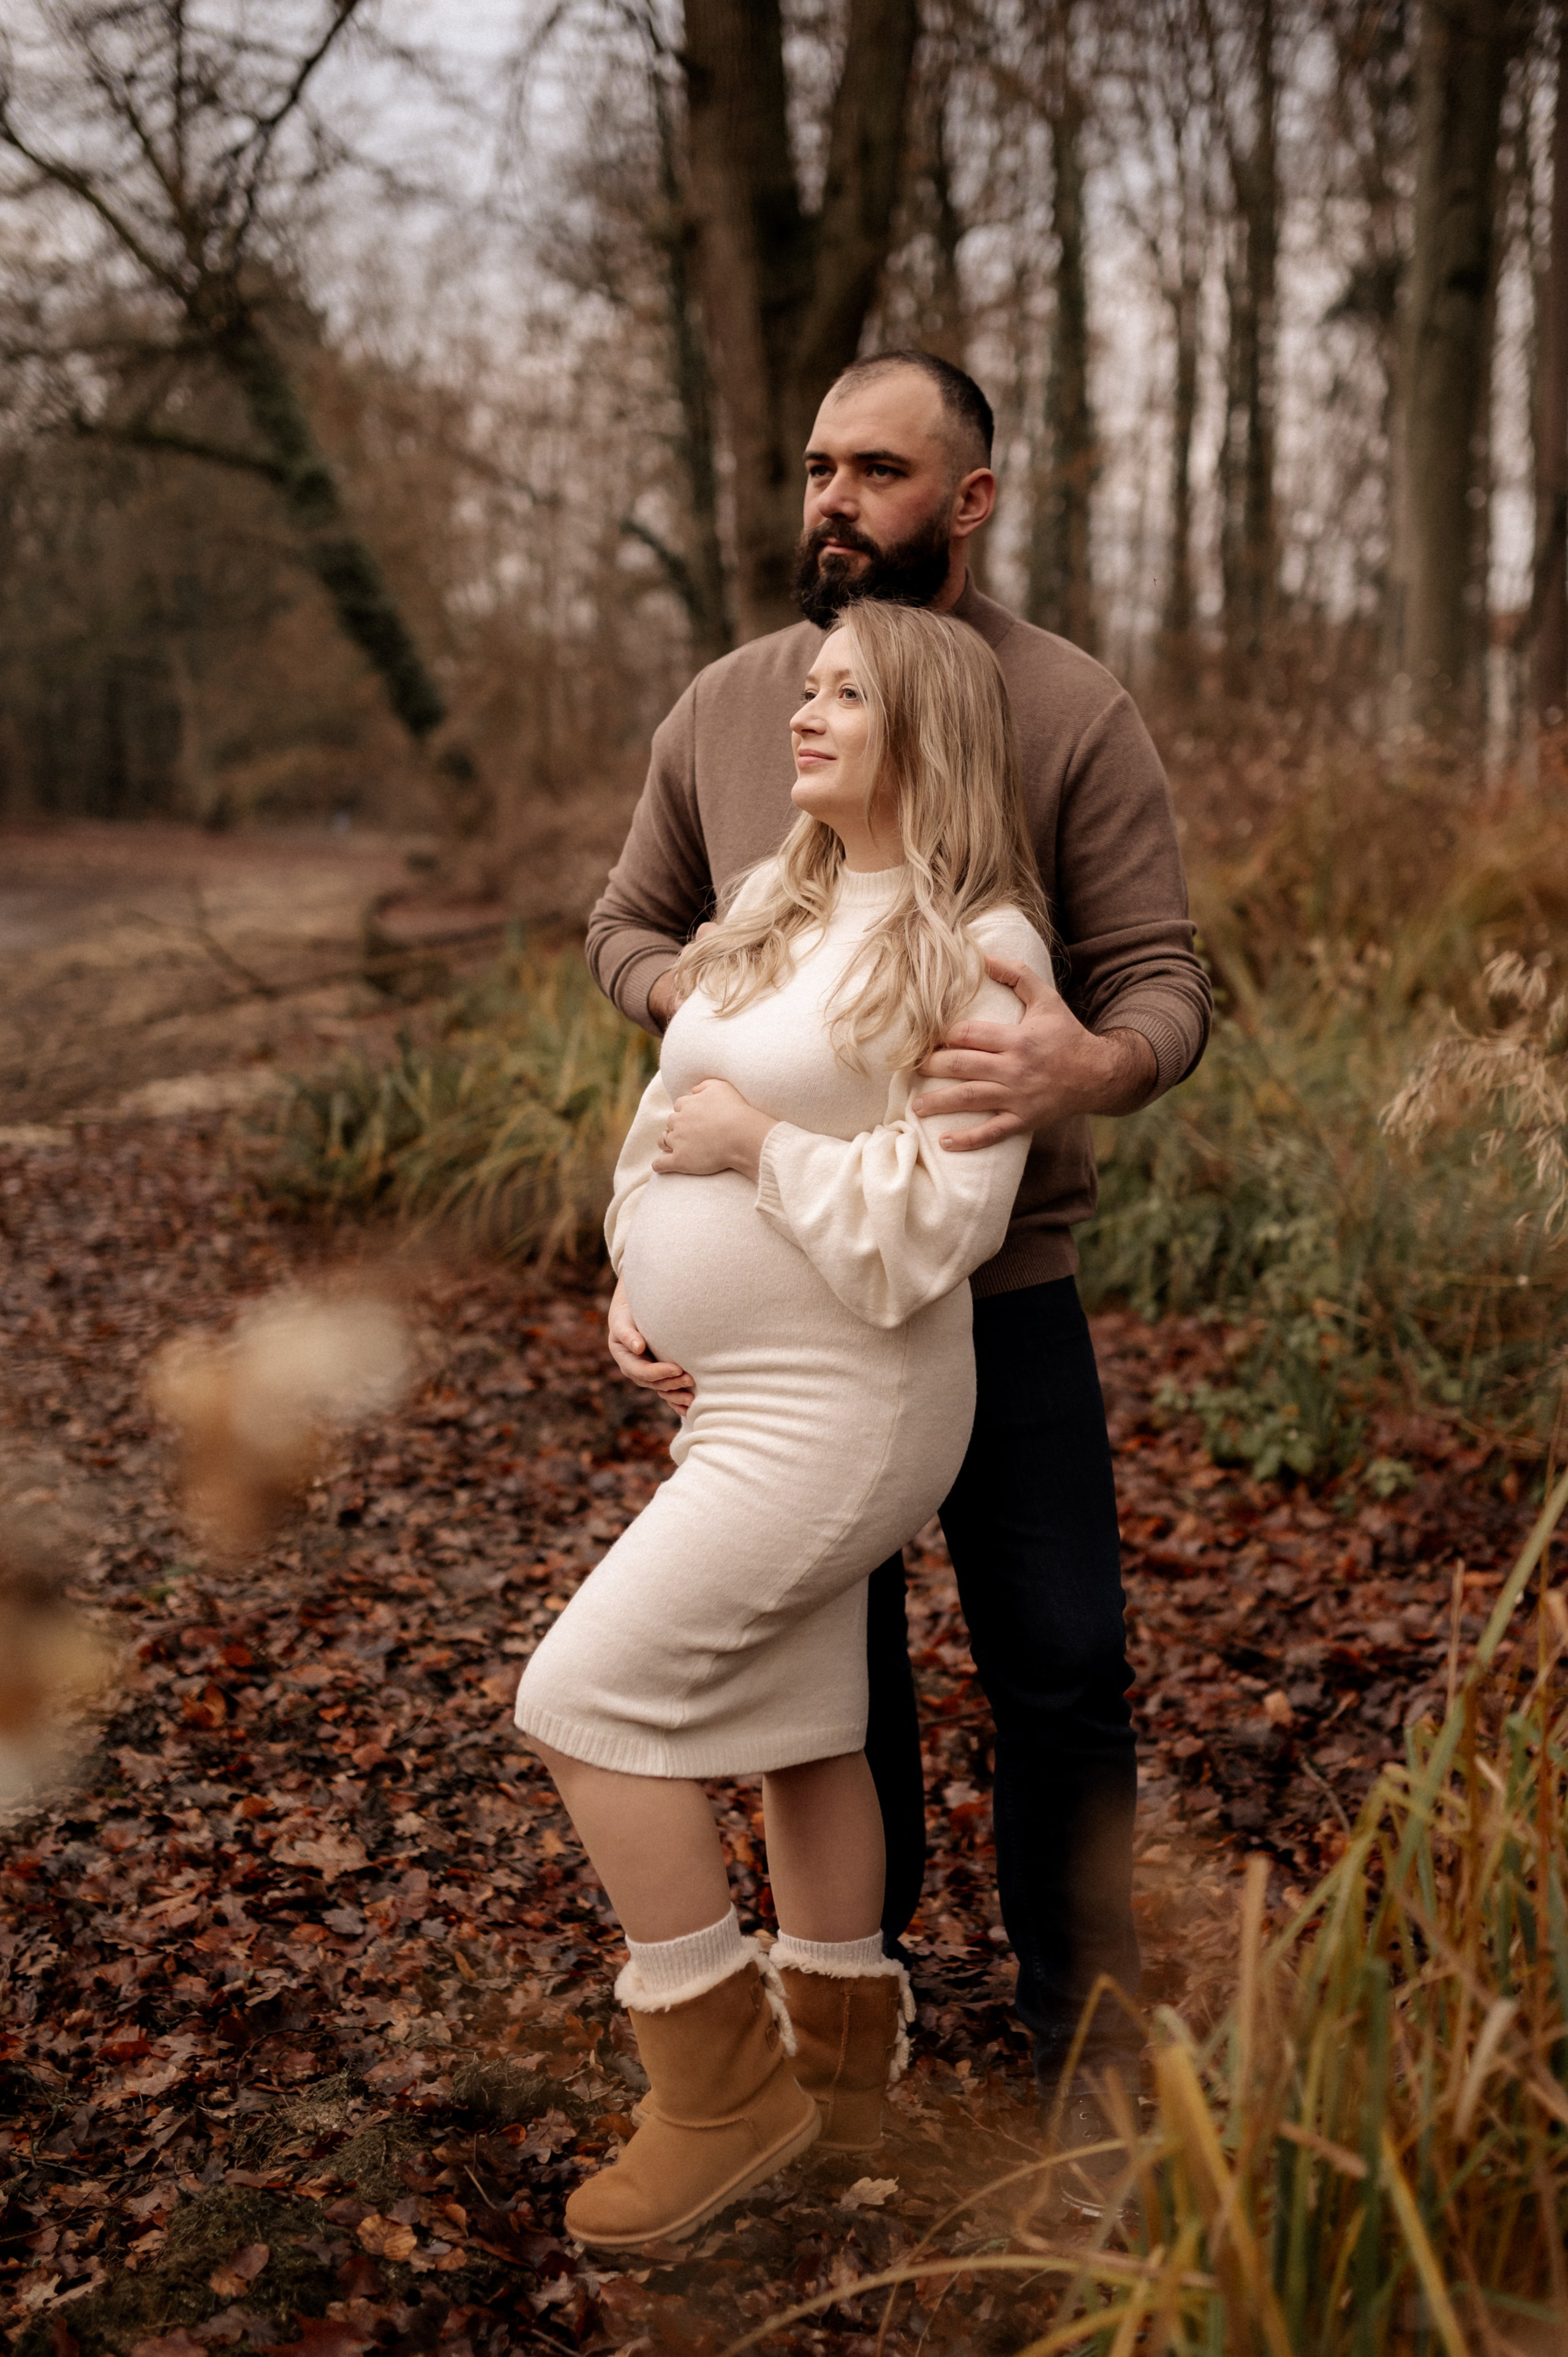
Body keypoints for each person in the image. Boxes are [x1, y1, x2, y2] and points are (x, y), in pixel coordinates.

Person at [585, 349, 1212, 2193]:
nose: (832, 502)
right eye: (814, 468)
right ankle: (848, 2022)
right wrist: (692, 995)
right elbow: (628, 927)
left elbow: (1165, 982)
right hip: (777, 1346)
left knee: (1063, 1667)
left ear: (973, 495)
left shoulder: (1068, 710)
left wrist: (1084, 1064)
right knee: (820, 1696)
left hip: (987, 1295)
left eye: (876, 469)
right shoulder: (729, 707)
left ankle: (1084, 2045)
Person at [515, 600, 1054, 2249]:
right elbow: (669, 1103)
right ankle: (832, 2082)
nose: (804, 717)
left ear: (927, 739)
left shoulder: (987, 953)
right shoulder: (768, 900)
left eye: (846, 697)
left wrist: (758, 1149)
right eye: (806, 688)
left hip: (856, 1396)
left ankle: (719, 2092)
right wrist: (637, 1276)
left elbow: (939, 1221)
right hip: (740, 1388)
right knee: (810, 1728)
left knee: (581, 1698)